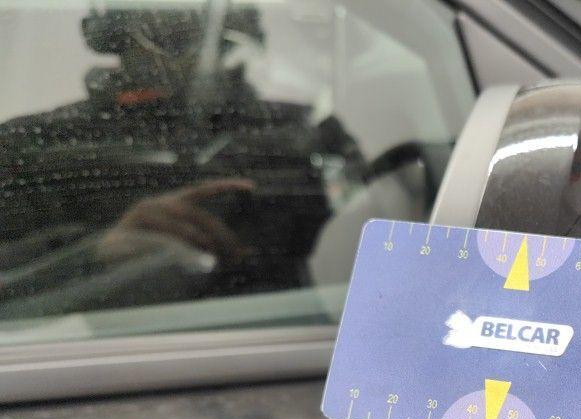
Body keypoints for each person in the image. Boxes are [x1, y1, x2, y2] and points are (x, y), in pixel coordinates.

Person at [0, 3, 363, 318]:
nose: (188, 43)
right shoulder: (32, 147)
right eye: (164, 26)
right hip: (101, 362)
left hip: (294, 350)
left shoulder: (308, 136)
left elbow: (373, 249)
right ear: (113, 28)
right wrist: (96, 254)